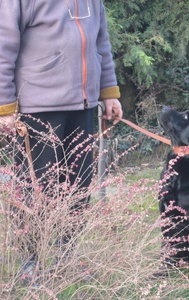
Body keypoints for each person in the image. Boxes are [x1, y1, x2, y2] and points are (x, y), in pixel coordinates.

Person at [0, 0, 123, 277]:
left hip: (84, 107)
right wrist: (5, 105)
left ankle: (68, 255)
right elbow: (2, 46)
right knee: (35, 188)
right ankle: (31, 260)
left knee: (78, 185)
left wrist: (109, 92)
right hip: (38, 105)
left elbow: (101, 43)